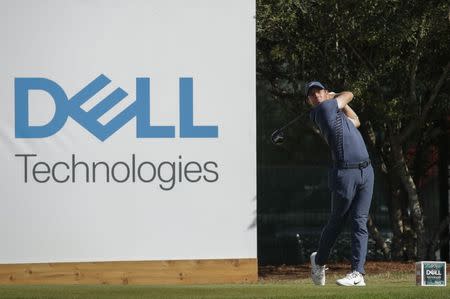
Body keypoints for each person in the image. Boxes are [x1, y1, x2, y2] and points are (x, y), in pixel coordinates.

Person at [305, 81, 374, 287]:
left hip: (366, 171)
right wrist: (336, 96)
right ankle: (318, 262)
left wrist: (340, 103)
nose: (316, 96)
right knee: (337, 221)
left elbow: (356, 120)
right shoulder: (323, 111)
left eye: (319, 92)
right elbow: (350, 93)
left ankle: (357, 273)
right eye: (312, 95)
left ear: (325, 93)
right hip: (345, 173)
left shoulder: (338, 117)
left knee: (360, 222)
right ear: (310, 101)